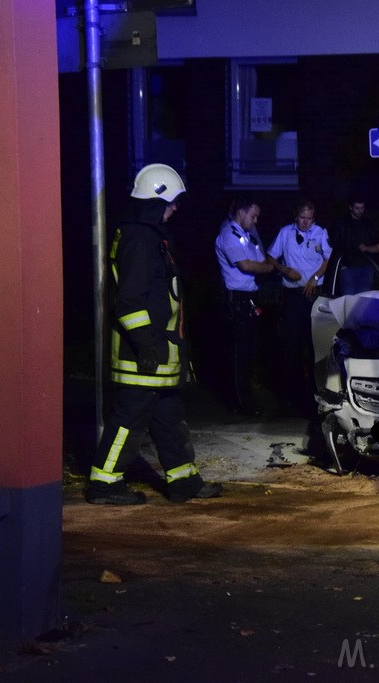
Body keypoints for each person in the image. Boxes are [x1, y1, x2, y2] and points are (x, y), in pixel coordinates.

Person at [86, 164, 223, 505]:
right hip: (142, 354)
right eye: (172, 201)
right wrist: (146, 343)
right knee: (129, 419)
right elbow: (128, 300)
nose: (175, 208)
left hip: (159, 351)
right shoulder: (139, 238)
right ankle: (103, 484)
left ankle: (183, 481)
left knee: (169, 417)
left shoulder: (150, 235)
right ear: (155, 199)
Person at [266, 199, 332, 416]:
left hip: (313, 294)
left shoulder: (320, 232)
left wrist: (314, 277)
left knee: (315, 346)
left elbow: (327, 259)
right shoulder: (285, 232)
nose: (305, 223)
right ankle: (290, 397)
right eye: (302, 218)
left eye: (309, 218)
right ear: (296, 217)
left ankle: (315, 395)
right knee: (292, 346)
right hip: (293, 295)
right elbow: (270, 256)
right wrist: (285, 270)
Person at [214, 194, 274, 416]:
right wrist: (269, 269)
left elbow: (260, 258)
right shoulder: (228, 235)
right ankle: (241, 402)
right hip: (237, 300)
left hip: (249, 299)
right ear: (241, 213)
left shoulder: (246, 236)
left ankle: (242, 400)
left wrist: (265, 265)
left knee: (249, 352)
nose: (255, 220)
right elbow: (247, 265)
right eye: (253, 216)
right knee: (240, 353)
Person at [330, 195, 377, 295]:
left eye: (362, 208)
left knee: (364, 299)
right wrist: (342, 265)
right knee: (349, 300)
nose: (360, 211)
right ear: (350, 207)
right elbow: (335, 244)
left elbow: (374, 242)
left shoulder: (368, 223)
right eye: (357, 208)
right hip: (348, 266)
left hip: (366, 266)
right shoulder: (342, 223)